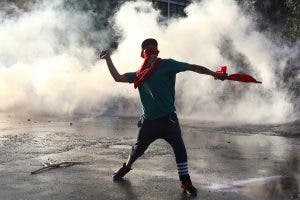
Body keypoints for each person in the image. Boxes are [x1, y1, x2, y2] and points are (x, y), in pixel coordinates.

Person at [100, 38, 227, 196]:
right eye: (148, 50)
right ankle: (126, 166)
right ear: (143, 54)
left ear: (157, 51)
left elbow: (193, 67)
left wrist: (215, 74)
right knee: (137, 150)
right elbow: (117, 77)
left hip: (168, 119)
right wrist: (108, 59)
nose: (151, 53)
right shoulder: (139, 74)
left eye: (153, 49)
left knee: (180, 149)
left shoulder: (167, 64)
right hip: (149, 121)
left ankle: (186, 182)